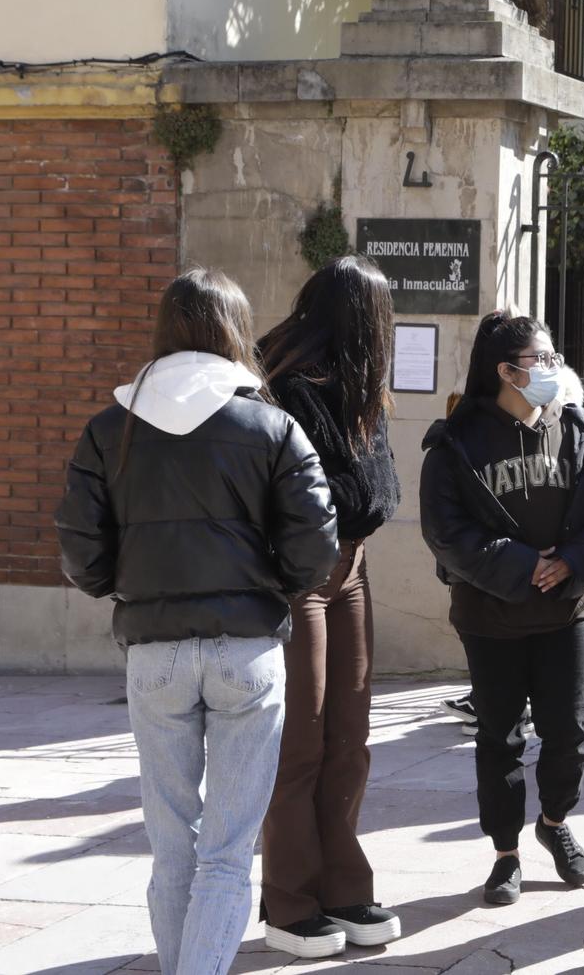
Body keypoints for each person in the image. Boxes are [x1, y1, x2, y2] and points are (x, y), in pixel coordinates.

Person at [55, 269, 338, 975]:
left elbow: (81, 552)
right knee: (227, 849)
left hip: (154, 653)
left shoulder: (109, 427)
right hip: (247, 650)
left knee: (173, 844)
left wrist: (128, 582)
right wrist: (273, 580)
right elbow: (317, 545)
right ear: (236, 331)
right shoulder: (271, 425)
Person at [420, 313, 584, 907]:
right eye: (542, 359)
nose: (553, 369)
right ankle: (505, 853)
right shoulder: (457, 443)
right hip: (492, 617)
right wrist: (519, 565)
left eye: (554, 357)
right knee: (499, 738)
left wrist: (572, 564)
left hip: (566, 612)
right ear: (505, 371)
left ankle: (556, 823)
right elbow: (444, 530)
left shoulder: (580, 429)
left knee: (569, 731)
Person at [254, 257, 403, 957]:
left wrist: (360, 499)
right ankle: (290, 901)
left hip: (352, 568)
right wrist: (359, 499)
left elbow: (381, 494)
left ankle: (345, 885)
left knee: (351, 734)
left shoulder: (355, 392)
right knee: (303, 741)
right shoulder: (287, 390)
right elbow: (349, 497)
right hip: (302, 576)